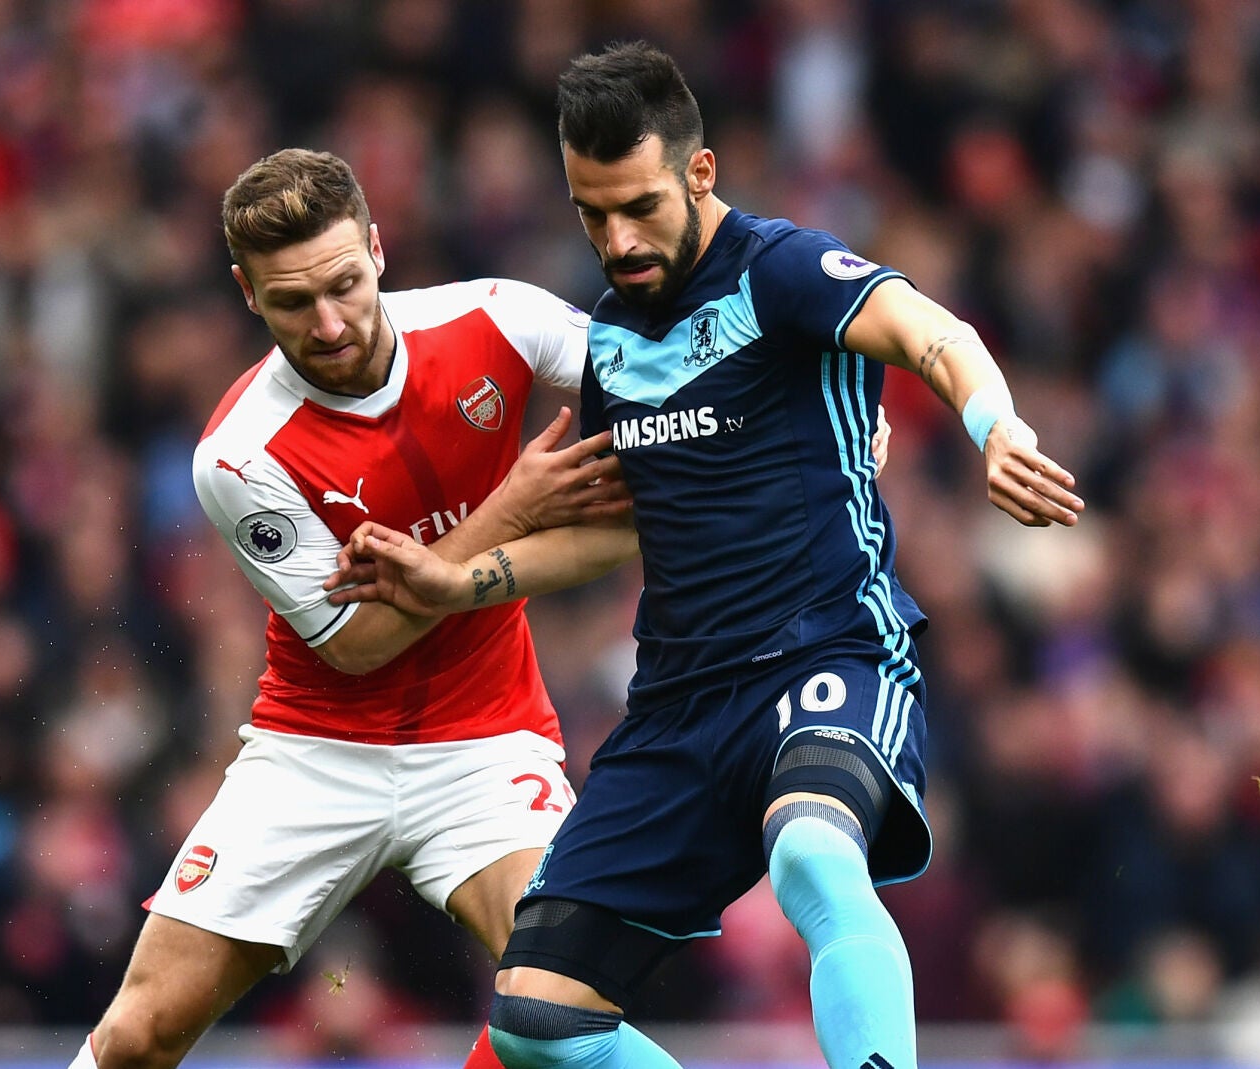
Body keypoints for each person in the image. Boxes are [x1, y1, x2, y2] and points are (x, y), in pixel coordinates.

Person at [326, 42, 1085, 1069]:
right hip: (679, 706)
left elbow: (927, 329)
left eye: (637, 205)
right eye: (591, 212)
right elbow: (618, 522)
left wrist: (994, 424)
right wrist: (457, 580)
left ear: (699, 172)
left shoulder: (780, 271)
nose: (616, 237)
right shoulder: (608, 338)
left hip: (825, 655)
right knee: (534, 1019)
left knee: (814, 852)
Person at [67, 147, 632, 1069]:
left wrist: (802, 420)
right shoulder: (241, 453)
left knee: (566, 998)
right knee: (136, 1038)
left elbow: (671, 380)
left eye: (343, 284)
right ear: (250, 296)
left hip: (486, 742)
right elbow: (364, 641)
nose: (329, 323)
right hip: (316, 753)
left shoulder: (500, 319)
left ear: (376, 249)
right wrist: (514, 507)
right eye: (293, 302)